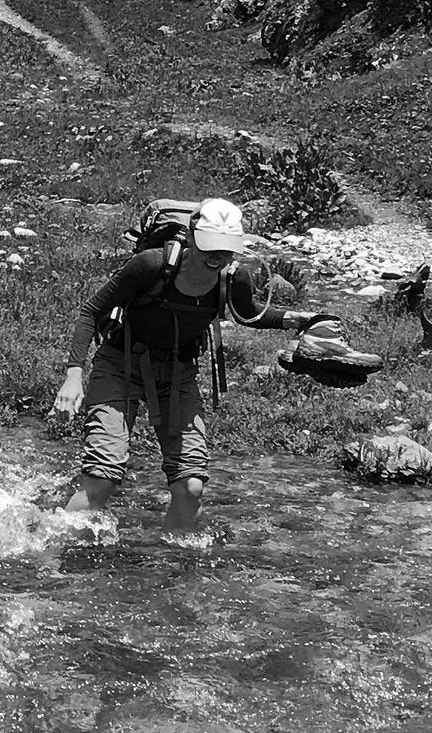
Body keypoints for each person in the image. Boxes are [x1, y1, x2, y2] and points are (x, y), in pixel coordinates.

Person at [48, 196, 288, 534]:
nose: (217, 257)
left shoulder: (234, 279)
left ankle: (170, 558)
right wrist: (73, 377)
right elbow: (91, 311)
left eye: (226, 250)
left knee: (190, 487)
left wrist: (303, 320)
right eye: (210, 247)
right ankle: (52, 547)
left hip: (178, 375)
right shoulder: (150, 265)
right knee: (102, 480)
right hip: (120, 366)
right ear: (191, 237)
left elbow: (251, 314)